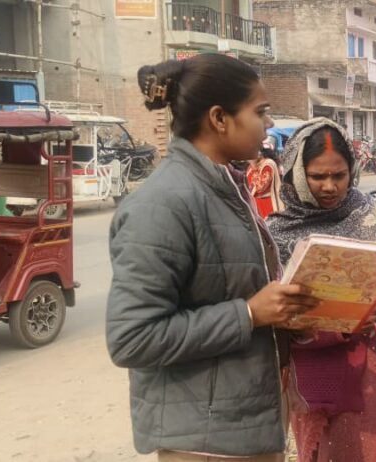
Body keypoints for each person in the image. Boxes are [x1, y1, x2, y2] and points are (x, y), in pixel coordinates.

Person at [106, 54, 319, 461]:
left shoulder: (226, 187)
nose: (269, 123)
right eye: (260, 111)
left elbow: (231, 289)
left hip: (244, 427)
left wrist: (285, 313)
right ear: (220, 118)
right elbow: (131, 338)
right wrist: (249, 314)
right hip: (204, 445)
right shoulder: (163, 203)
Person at [266, 118, 376, 462]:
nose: (330, 186)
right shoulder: (276, 235)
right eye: (317, 176)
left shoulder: (373, 215)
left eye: (339, 175)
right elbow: (277, 320)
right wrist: (340, 320)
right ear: (296, 173)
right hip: (320, 376)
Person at [247, 136, 285, 218]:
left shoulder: (268, 164)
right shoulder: (251, 167)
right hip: (256, 204)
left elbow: (260, 187)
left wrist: (253, 165)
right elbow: (247, 183)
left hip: (268, 204)